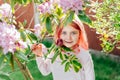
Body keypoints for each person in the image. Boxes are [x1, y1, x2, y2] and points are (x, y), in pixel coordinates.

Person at [31, 15, 95, 80]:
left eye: (73, 33)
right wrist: (39, 55)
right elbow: (45, 71)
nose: (68, 37)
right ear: (59, 34)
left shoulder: (84, 55)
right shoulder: (55, 52)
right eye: (64, 33)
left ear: (79, 34)